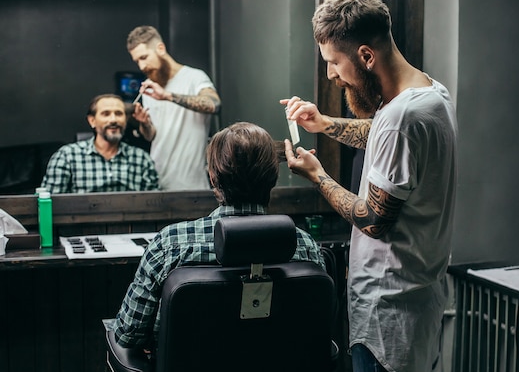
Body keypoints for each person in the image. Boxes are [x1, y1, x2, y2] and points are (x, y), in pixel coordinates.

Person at [281, 0, 457, 372]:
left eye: (334, 63)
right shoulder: (431, 94)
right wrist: (324, 123)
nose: (330, 74)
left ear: (365, 56)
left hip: (388, 318)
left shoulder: (402, 117)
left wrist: (318, 176)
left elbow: (374, 220)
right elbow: (383, 137)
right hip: (416, 304)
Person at [112, 121, 325, 350]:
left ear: (213, 177)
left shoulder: (170, 244)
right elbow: (318, 328)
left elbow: (129, 334)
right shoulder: (304, 246)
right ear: (273, 178)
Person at [126, 25, 221, 191]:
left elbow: (214, 104)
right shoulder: (151, 87)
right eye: (137, 61)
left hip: (192, 184)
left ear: (160, 48)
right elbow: (152, 136)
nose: (141, 66)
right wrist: (144, 123)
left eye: (144, 57)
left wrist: (168, 96)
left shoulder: (193, 77)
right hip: (157, 183)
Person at [41, 94, 159, 193]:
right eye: (106, 114)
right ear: (92, 121)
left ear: (126, 120)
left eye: (118, 114)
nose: (113, 120)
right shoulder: (67, 156)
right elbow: (48, 203)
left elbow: (154, 205)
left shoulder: (141, 158)